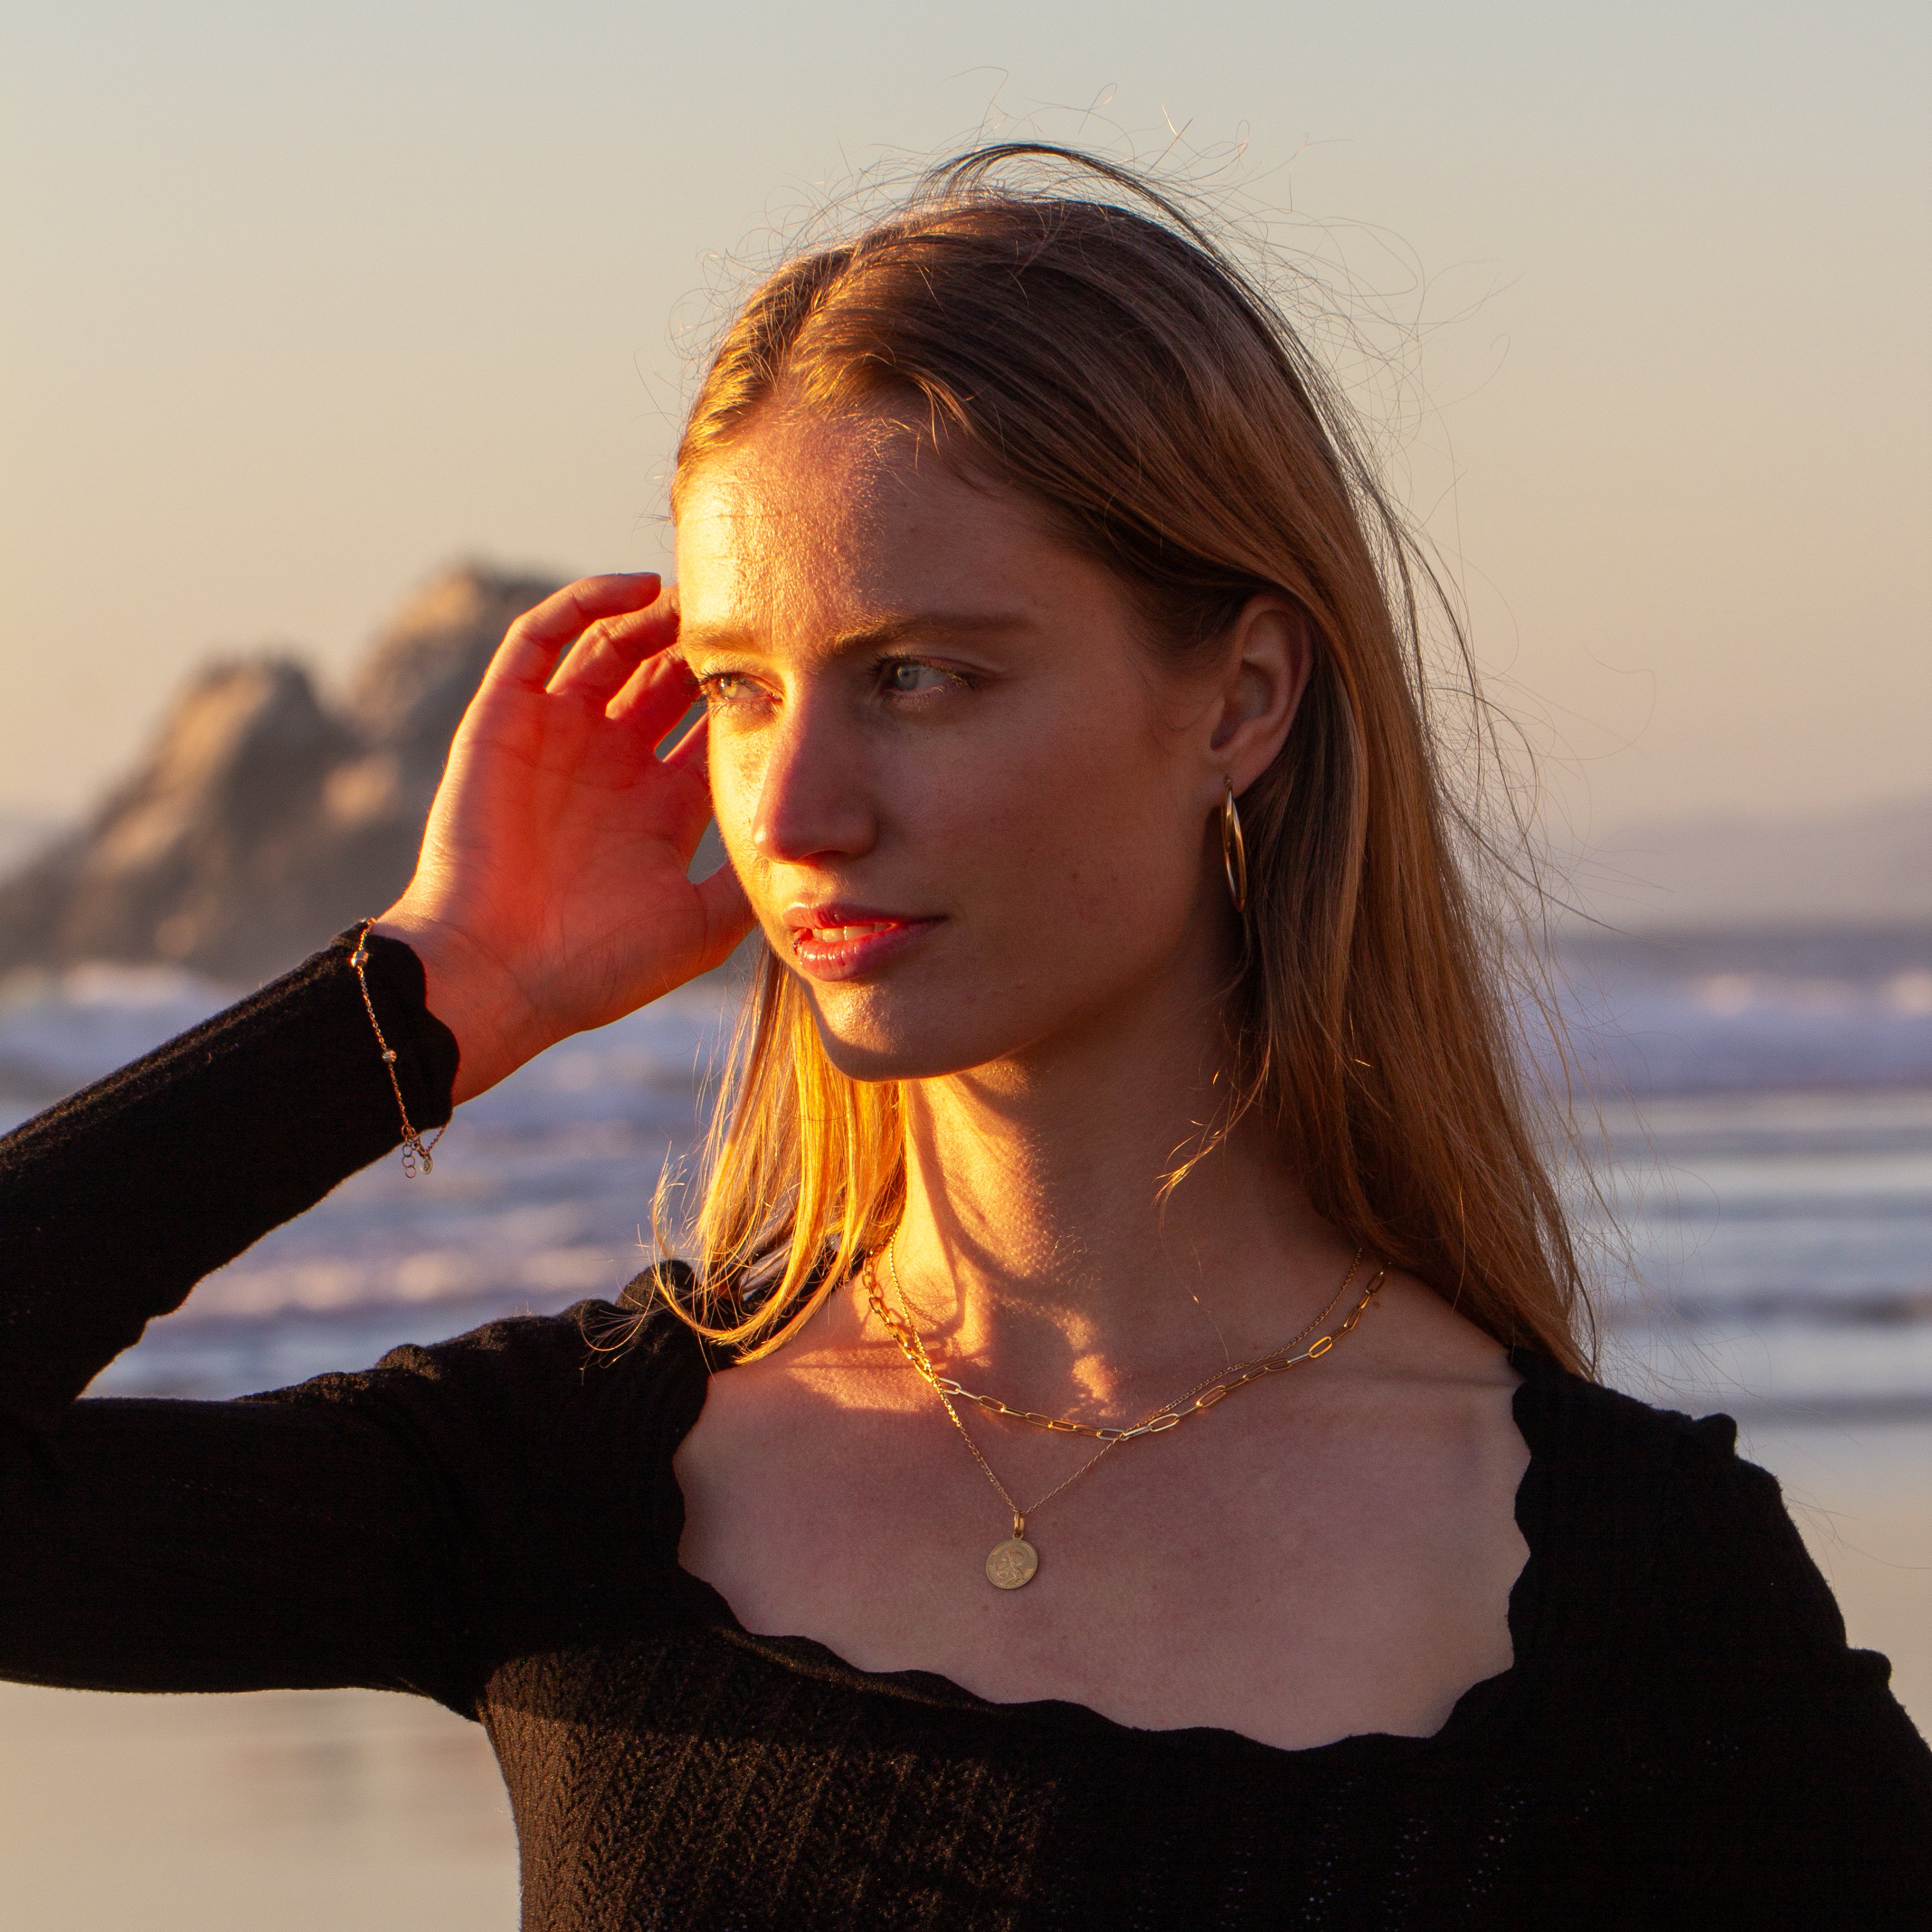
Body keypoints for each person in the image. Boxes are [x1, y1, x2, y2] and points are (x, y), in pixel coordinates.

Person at [2, 145, 1926, 1929]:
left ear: (1243, 696)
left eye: (921, 677)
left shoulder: (1626, 1582)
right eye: (741, 693)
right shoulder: (584, 1475)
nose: (801, 807)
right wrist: (430, 992)